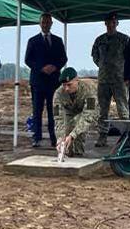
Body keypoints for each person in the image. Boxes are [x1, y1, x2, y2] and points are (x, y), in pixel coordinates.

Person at [25, 13, 68, 147]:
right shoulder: (33, 41)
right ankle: (36, 137)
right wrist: (41, 68)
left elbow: (63, 58)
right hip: (38, 82)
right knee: (37, 111)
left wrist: (54, 67)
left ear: (51, 24)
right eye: (43, 22)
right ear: (40, 23)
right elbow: (28, 59)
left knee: (53, 111)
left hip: (53, 82)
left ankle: (54, 138)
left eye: (48, 22)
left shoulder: (58, 40)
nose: (45, 25)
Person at [91, 12, 130, 147]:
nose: (110, 25)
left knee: (123, 110)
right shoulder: (99, 40)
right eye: (108, 23)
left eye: (113, 23)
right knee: (103, 111)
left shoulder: (124, 39)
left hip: (120, 80)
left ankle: (127, 137)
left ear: (117, 24)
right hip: (103, 80)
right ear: (105, 23)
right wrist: (104, 67)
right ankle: (102, 136)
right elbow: (95, 57)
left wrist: (124, 73)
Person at [54, 67, 99, 157]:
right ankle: (66, 154)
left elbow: (88, 115)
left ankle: (79, 155)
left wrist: (72, 135)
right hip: (70, 112)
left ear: (77, 80)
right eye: (64, 85)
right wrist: (60, 138)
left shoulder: (89, 90)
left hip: (87, 112)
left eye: (69, 85)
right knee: (66, 132)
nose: (66, 88)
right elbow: (58, 117)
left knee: (77, 126)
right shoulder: (58, 94)